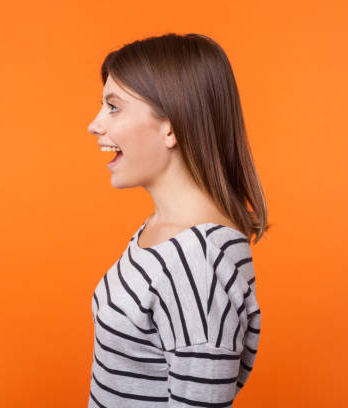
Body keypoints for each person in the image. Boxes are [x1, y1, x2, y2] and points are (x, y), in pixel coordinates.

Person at [86, 32, 270, 407]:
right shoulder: (160, 232)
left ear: (170, 126)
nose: (95, 125)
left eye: (114, 107)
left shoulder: (199, 267)